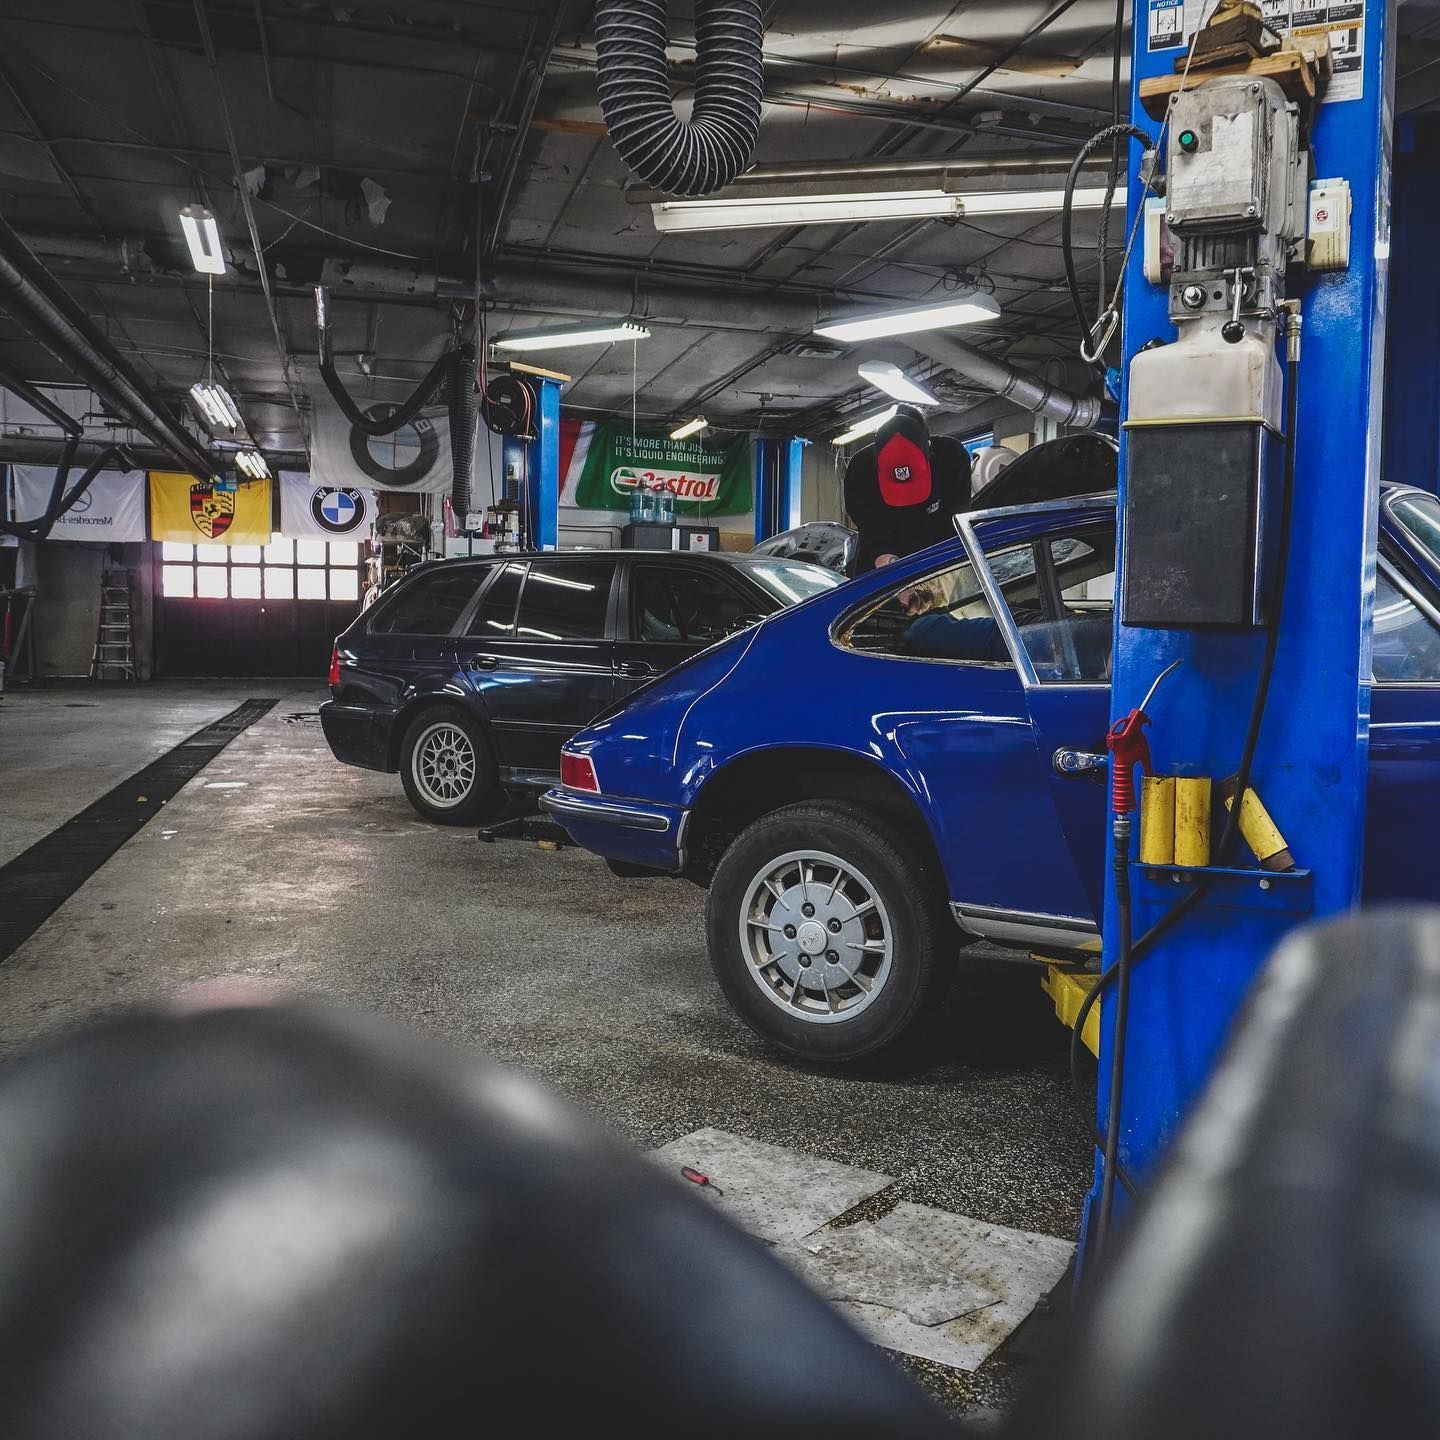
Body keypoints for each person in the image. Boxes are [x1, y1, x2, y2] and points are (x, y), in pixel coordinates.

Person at [843, 405, 972, 573]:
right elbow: (872, 528)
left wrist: (939, 576)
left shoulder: (951, 457)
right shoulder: (860, 470)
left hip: (938, 553)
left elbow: (955, 523)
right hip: (881, 562)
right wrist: (889, 566)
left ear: (929, 450)